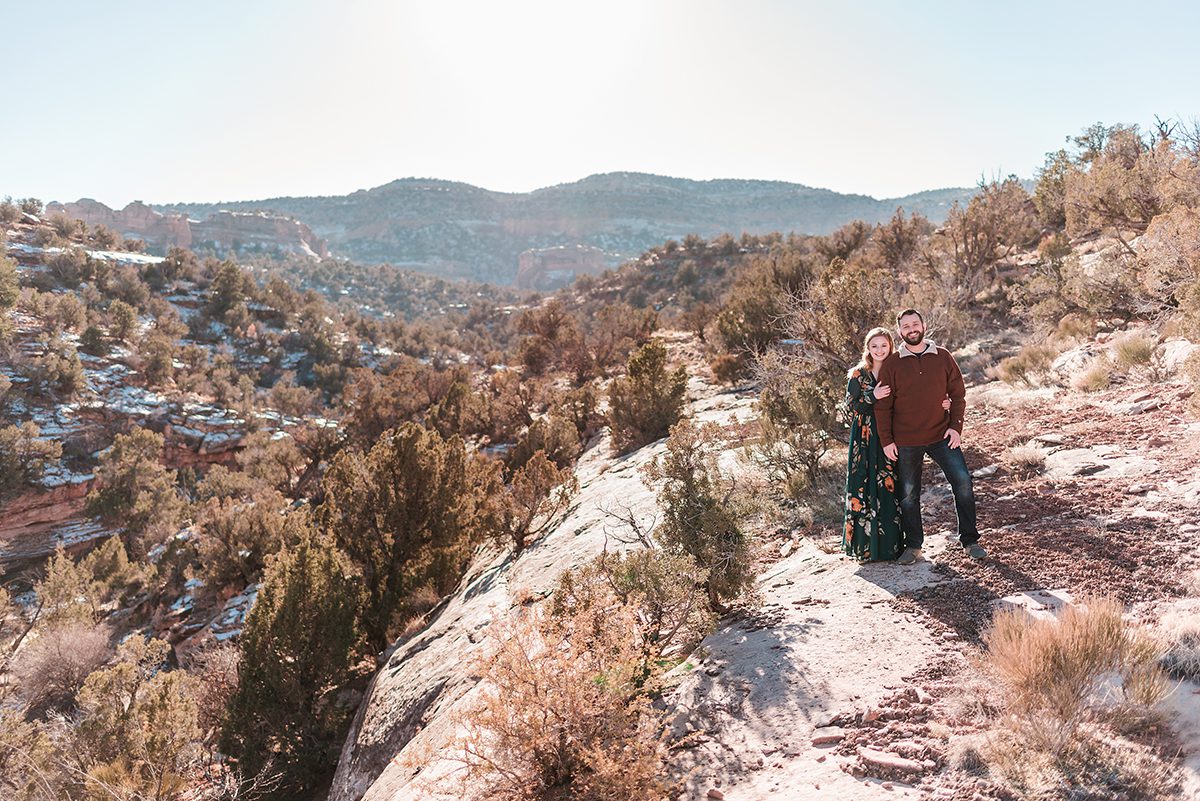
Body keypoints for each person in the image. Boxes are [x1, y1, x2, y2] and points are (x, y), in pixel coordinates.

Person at [875, 309, 986, 565]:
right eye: (906, 326)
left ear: (923, 325)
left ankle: (970, 540)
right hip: (905, 440)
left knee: (963, 483)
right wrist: (887, 441)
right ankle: (913, 545)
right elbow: (883, 407)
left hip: (940, 434)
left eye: (915, 324)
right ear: (899, 331)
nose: (911, 329)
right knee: (908, 494)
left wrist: (955, 427)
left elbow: (958, 395)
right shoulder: (892, 364)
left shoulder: (943, 356)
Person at [841, 327, 904, 561]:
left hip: (891, 435)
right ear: (868, 348)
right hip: (865, 437)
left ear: (890, 346)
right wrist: (872, 396)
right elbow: (851, 406)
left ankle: (890, 547)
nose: (879, 350)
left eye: (884, 346)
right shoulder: (858, 374)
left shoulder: (896, 370)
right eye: (874, 346)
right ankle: (865, 548)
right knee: (863, 486)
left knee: (890, 485)